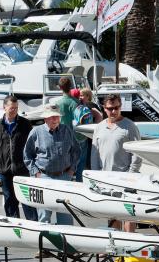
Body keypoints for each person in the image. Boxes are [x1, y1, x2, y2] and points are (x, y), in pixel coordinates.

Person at [24, 104, 80, 231]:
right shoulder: (36, 132)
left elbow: (76, 151)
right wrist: (36, 173)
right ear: (45, 119)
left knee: (65, 214)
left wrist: (72, 170)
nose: (55, 119)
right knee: (44, 215)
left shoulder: (67, 130)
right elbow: (27, 155)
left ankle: (67, 247)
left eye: (57, 116)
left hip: (64, 177)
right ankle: (44, 247)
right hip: (44, 177)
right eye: (52, 117)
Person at [91, 94, 141, 233]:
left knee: (129, 215)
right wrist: (96, 176)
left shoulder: (129, 126)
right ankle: (115, 248)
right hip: (106, 179)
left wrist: (131, 175)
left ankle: (130, 245)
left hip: (126, 178)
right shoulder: (99, 127)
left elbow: (137, 154)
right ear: (104, 109)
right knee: (112, 215)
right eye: (110, 108)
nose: (113, 111)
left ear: (120, 107)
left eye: (116, 108)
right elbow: (94, 153)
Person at [0, 95, 38, 221]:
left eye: (16, 108)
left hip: (22, 169)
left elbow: (32, 146)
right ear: (4, 107)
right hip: (5, 170)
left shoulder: (25, 124)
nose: (14, 111)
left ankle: (33, 225)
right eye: (11, 108)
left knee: (27, 199)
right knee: (9, 199)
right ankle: (13, 225)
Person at [70, 88, 93, 182]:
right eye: (80, 95)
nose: (81, 97)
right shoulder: (85, 108)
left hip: (73, 137)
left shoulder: (75, 106)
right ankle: (79, 181)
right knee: (81, 162)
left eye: (82, 95)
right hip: (83, 137)